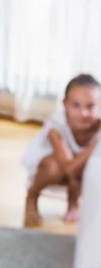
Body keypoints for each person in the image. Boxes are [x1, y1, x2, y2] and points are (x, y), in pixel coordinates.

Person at [23, 73, 101, 227]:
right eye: (76, 105)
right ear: (65, 104)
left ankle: (73, 202)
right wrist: (94, 146)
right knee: (55, 167)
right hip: (55, 164)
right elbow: (68, 168)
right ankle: (32, 196)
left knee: (92, 167)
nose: (83, 113)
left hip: (81, 165)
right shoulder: (56, 126)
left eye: (90, 106)